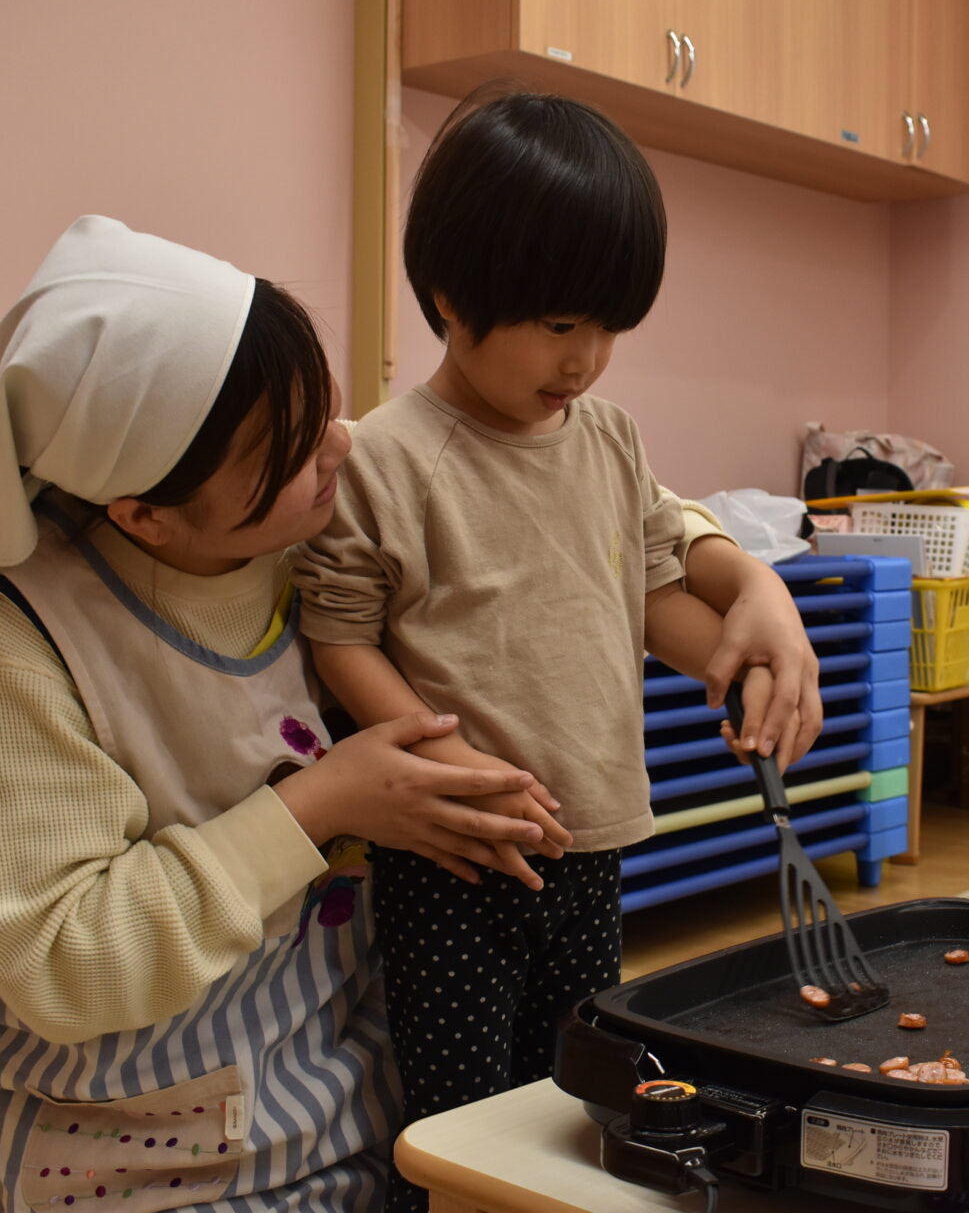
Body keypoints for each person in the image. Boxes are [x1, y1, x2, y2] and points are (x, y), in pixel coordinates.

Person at [0, 215, 817, 1212]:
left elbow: (577, 497)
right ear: (144, 515)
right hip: (134, 1143)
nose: (342, 445)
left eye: (328, 407)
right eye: (290, 449)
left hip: (346, 1090)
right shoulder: (9, 645)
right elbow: (66, 962)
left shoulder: (300, 517)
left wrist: (751, 585)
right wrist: (323, 802)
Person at [290, 90, 817, 1213]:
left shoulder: (609, 441)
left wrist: (745, 660)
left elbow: (650, 595)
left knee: (577, 1087)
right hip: (456, 852)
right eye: (560, 324)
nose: (586, 360)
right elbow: (339, 634)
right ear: (452, 295)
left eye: (610, 329)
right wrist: (445, 767)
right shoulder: (389, 456)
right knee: (462, 1115)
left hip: (593, 837)